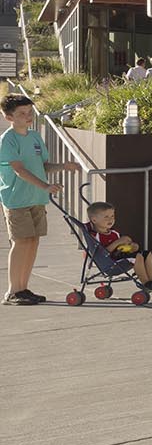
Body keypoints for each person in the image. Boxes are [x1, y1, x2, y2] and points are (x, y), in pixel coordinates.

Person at [3, 94, 76, 306]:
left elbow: (44, 166)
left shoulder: (34, 136)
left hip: (36, 198)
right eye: (22, 114)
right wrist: (46, 186)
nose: (28, 117)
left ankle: (23, 289)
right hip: (16, 199)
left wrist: (63, 166)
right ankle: (12, 291)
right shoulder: (8, 140)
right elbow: (19, 170)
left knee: (33, 242)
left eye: (30, 112)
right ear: (8, 117)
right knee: (20, 242)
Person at [82, 201, 152, 292]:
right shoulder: (95, 236)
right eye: (106, 217)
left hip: (121, 256)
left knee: (146, 254)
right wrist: (118, 242)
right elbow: (103, 253)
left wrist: (133, 246)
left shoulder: (114, 233)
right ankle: (146, 283)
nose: (110, 219)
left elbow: (123, 247)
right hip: (111, 263)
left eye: (112, 216)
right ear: (94, 220)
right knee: (137, 257)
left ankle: (150, 280)